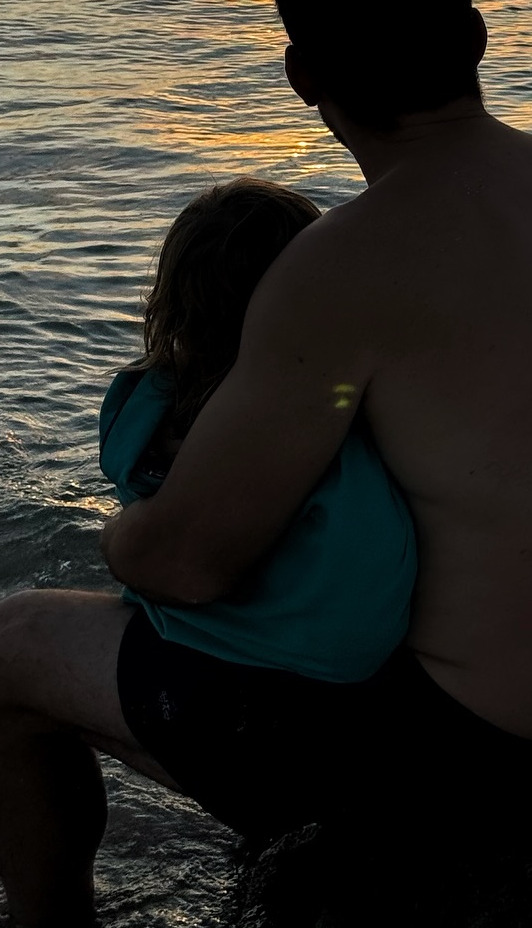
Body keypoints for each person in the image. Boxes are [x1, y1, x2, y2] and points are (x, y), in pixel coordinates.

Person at [0, 0, 532, 927]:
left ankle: (47, 924)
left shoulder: (348, 262)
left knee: (5, 650)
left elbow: (191, 560)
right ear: (478, 36)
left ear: (302, 74)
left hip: (466, 762)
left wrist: (123, 538)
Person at [100, 178, 417, 695]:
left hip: (259, 649)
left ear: (173, 300)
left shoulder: (149, 404)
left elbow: (128, 476)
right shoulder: (345, 404)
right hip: (359, 650)